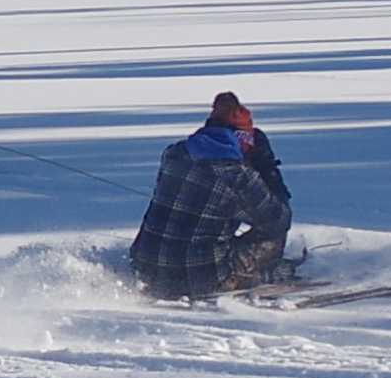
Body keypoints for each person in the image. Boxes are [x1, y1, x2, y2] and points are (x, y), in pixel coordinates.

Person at [125, 92, 293, 295]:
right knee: (274, 234)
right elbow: (278, 220)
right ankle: (265, 274)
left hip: (146, 269)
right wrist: (266, 167)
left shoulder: (174, 154)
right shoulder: (237, 176)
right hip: (201, 280)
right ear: (244, 141)